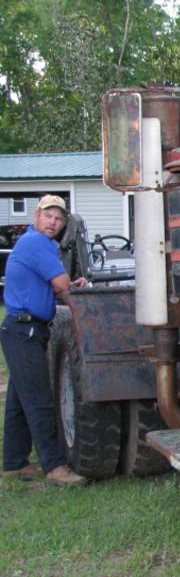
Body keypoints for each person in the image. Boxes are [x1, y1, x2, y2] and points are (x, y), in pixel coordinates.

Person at [1, 195, 88, 486]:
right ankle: (55, 466)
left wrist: (67, 283)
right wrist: (78, 305)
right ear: (37, 216)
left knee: (18, 399)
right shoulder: (36, 243)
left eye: (59, 218)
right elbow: (61, 284)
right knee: (39, 400)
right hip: (24, 331)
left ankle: (14, 463)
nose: (53, 223)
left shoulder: (38, 244)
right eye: (48, 216)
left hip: (22, 330)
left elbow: (49, 285)